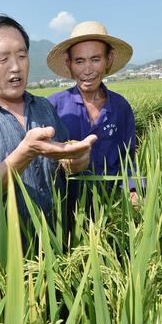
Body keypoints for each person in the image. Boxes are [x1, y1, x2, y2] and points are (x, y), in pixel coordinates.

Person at [0, 15, 97, 240]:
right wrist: (26, 152)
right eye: (2, 58)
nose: (15, 67)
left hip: (61, 247)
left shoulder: (44, 107)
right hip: (10, 263)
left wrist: (77, 160)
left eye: (22, 56)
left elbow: (65, 164)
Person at [46, 21, 141, 205]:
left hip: (112, 207)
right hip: (65, 213)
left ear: (109, 60)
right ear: (69, 64)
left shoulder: (121, 108)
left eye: (95, 59)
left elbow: (128, 159)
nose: (87, 70)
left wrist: (133, 191)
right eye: (79, 61)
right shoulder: (52, 107)